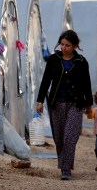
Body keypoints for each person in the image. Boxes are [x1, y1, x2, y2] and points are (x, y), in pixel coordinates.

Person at [36, 29, 93, 180]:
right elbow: (46, 81)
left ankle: (66, 169)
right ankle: (63, 165)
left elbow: (87, 84)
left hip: (76, 104)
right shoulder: (53, 60)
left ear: (75, 46)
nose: (64, 47)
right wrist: (40, 101)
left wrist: (89, 105)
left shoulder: (81, 62)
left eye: (67, 45)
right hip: (57, 103)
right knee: (59, 137)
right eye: (62, 44)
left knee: (70, 135)